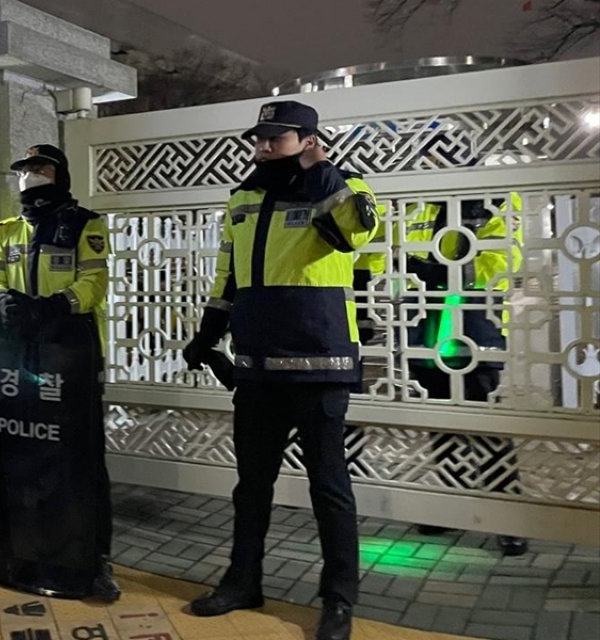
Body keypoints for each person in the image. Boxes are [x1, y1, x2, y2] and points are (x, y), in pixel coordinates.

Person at [182, 101, 379, 640]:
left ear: (309, 140)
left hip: (321, 365)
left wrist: (320, 171)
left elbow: (355, 233)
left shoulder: (345, 186)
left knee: (329, 489)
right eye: (259, 138)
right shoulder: (243, 197)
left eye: (277, 137)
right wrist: (207, 333)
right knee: (251, 487)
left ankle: (338, 600)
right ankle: (242, 581)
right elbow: (229, 275)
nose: (264, 146)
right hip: (258, 366)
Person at [0, 143, 119, 602]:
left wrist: (56, 306)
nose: (31, 176)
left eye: (40, 168)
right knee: (23, 453)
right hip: (20, 360)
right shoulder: (8, 231)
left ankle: (93, 559)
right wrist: (1, 300)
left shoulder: (84, 224)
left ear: (60, 175)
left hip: (70, 358)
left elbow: (94, 283)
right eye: (25, 169)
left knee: (78, 458)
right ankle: (23, 550)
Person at [396, 195, 528, 556]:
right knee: (442, 424)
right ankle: (450, 505)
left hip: (473, 328)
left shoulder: (496, 201)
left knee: (486, 427)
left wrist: (443, 271)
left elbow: (501, 262)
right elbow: (400, 256)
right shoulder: (420, 203)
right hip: (427, 329)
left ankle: (508, 518)